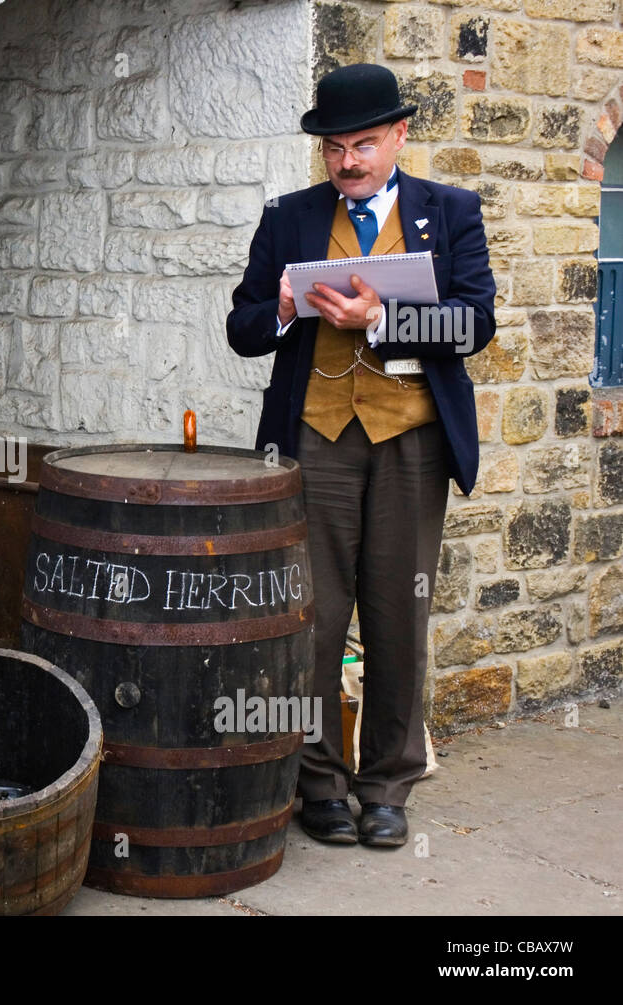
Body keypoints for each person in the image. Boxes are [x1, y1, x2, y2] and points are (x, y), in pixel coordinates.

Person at [226, 63, 496, 847]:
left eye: (364, 145)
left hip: (410, 442)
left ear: (400, 136)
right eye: (335, 148)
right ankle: (318, 782)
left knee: (396, 616)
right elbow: (240, 330)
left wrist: (386, 318)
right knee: (311, 619)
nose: (348, 162)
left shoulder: (450, 214)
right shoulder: (290, 217)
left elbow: (475, 325)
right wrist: (277, 308)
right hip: (314, 442)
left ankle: (387, 784)